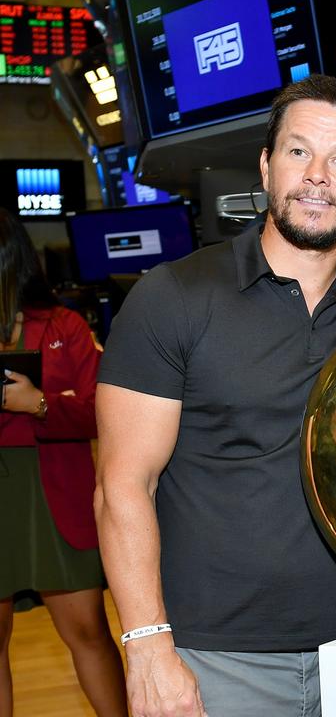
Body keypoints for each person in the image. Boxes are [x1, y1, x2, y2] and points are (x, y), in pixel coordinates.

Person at [94, 74, 336, 717]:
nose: (318, 175)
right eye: (299, 151)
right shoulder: (174, 296)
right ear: (267, 167)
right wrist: (147, 649)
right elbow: (123, 486)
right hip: (214, 661)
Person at [0, 209, 127, 717]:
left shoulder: (64, 326)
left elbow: (105, 409)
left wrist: (41, 404)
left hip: (56, 495)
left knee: (87, 631)